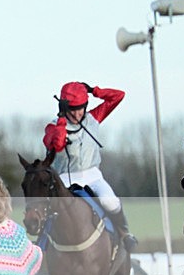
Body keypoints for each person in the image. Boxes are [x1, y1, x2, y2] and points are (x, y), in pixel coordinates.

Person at [42, 81, 137, 251]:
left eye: (81, 108)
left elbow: (118, 96)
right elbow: (56, 145)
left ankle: (124, 234)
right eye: (73, 109)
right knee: (51, 208)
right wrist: (62, 122)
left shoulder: (93, 118)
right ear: (64, 107)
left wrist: (94, 91)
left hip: (92, 175)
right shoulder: (52, 126)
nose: (78, 113)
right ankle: (42, 244)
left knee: (111, 202)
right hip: (64, 178)